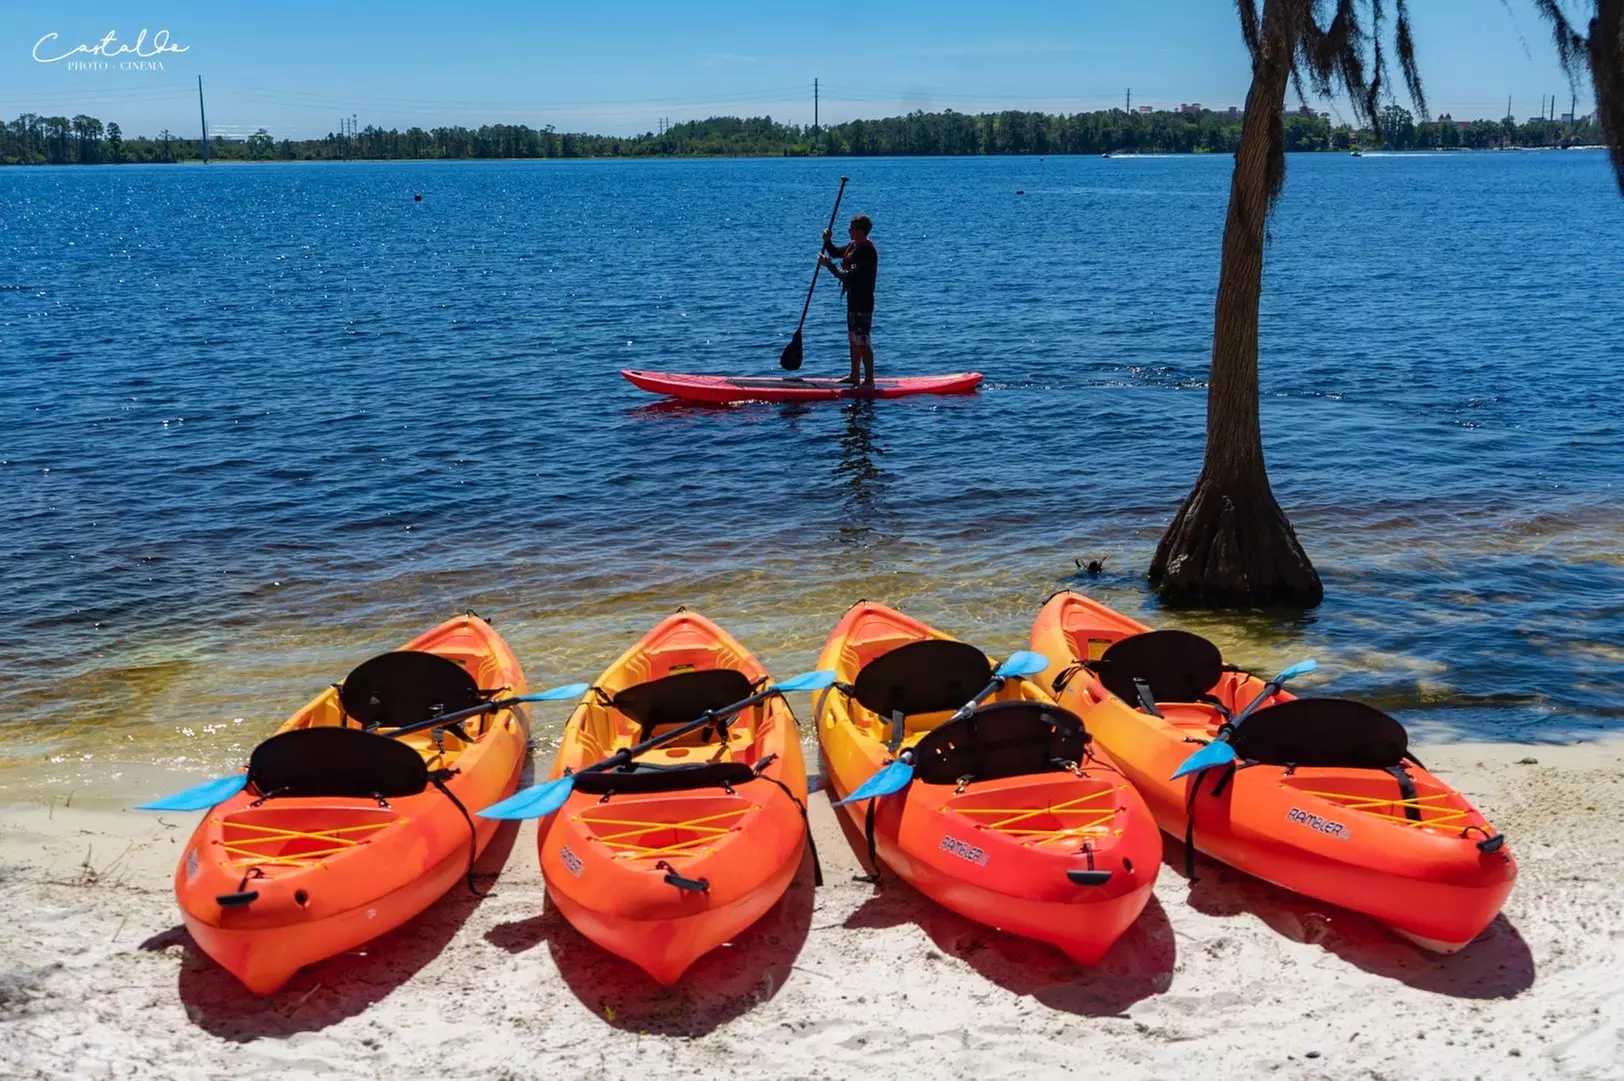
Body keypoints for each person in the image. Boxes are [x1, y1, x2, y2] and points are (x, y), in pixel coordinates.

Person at [818, 213, 878, 386]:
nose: (849, 231)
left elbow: (847, 276)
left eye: (851, 228)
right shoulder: (853, 245)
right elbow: (836, 252)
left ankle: (869, 380)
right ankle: (854, 375)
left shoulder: (866, 251)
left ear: (860, 231)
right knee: (853, 338)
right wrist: (827, 241)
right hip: (852, 300)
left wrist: (829, 265)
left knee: (862, 339)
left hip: (863, 302)